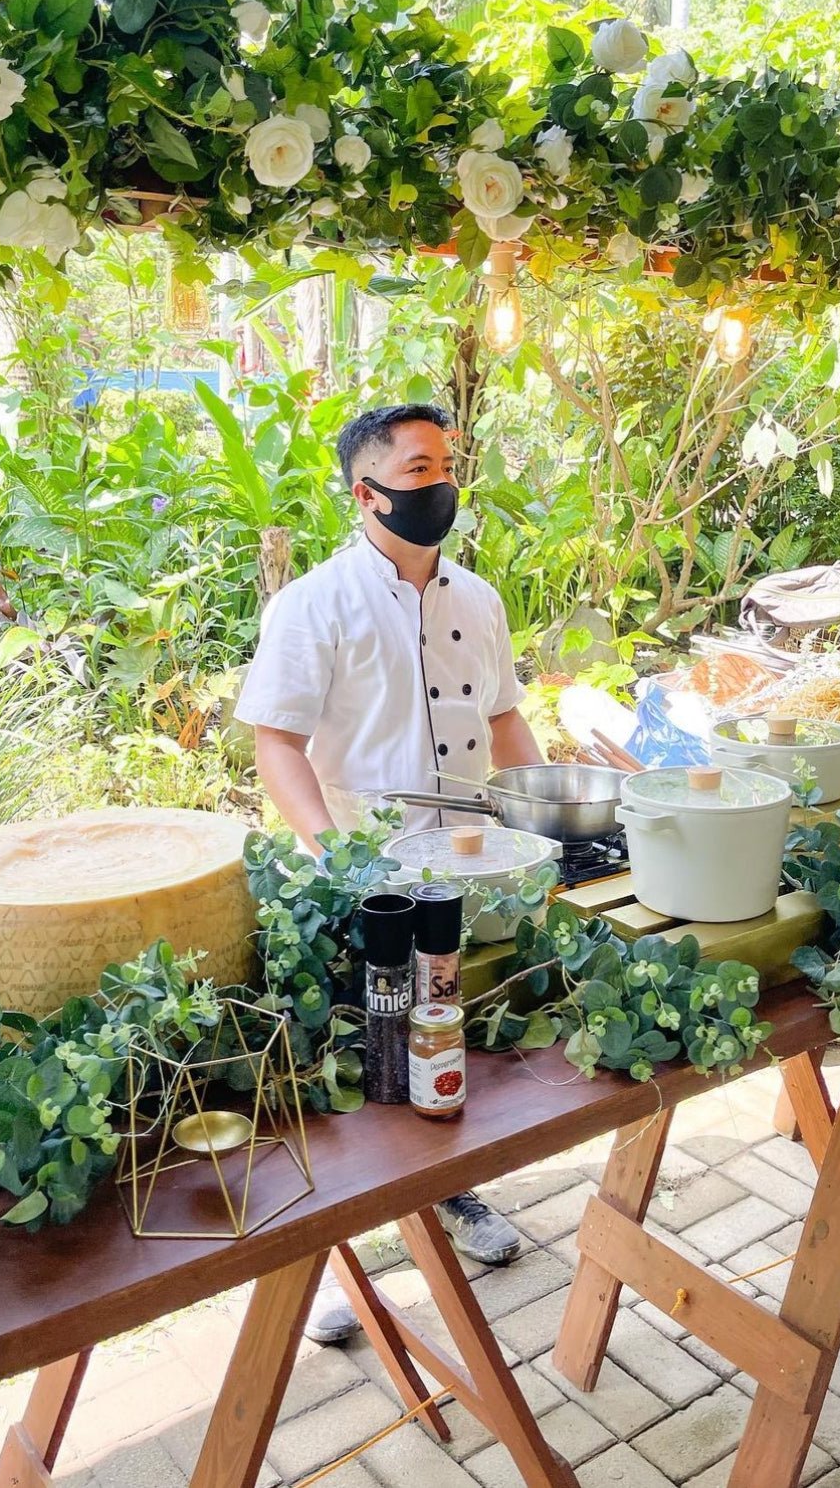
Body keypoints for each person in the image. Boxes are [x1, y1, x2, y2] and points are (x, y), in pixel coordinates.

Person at [236, 401, 546, 1343]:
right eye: (418, 469)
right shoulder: (313, 605)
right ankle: (333, 1263)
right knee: (356, 1067)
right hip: (361, 872)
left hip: (462, 861)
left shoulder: (478, 600)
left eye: (447, 465)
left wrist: (545, 816)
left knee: (447, 1035)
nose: (440, 483)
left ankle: (455, 1194)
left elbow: (501, 724)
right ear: (364, 492)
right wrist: (332, 851)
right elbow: (275, 742)